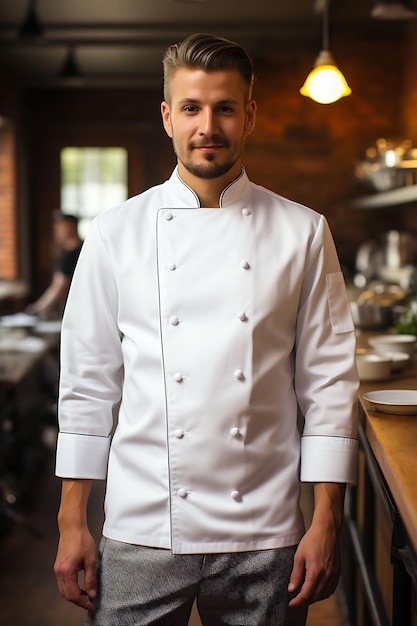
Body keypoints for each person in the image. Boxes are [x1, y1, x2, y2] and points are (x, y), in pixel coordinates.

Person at [53, 33, 359, 626]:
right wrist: (73, 523)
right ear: (168, 117)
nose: (207, 126)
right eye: (191, 108)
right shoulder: (116, 233)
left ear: (249, 115)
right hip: (141, 523)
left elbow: (328, 387)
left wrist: (326, 523)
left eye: (224, 108)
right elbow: (88, 386)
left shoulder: (303, 232)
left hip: (265, 531)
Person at [26, 212, 83, 317]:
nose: (56, 231)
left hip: (75, 312)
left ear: (71, 227)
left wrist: (38, 307)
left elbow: (59, 286)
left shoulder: (74, 254)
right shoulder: (68, 252)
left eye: (60, 227)